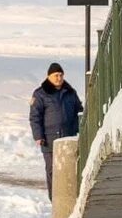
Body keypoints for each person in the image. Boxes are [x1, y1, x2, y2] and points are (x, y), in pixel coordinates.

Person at [29, 62, 83, 199]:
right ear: (49, 76)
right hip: (49, 140)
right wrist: (38, 136)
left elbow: (79, 110)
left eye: (61, 75)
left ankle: (70, 196)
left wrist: (79, 128)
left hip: (68, 137)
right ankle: (55, 199)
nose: (59, 78)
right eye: (56, 75)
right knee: (52, 170)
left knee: (70, 168)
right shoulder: (40, 94)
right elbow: (35, 117)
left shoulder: (70, 92)